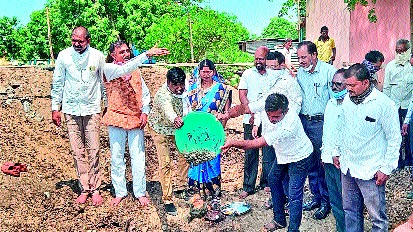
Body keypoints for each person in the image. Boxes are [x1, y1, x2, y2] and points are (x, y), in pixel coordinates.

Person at [221, 93, 313, 232]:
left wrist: (233, 142)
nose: (271, 120)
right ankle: (279, 220)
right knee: (273, 179)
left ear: (285, 111)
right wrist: (227, 115)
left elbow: (257, 143)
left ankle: (294, 229)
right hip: (283, 154)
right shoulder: (265, 104)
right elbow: (244, 108)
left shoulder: (289, 125)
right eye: (269, 115)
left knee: (294, 194)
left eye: (276, 117)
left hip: (299, 156)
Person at [101, 41, 169, 206]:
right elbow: (123, 70)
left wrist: (145, 111)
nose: (126, 54)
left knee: (138, 156)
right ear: (113, 55)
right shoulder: (108, 69)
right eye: (121, 52)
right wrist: (148, 54)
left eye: (127, 51)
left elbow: (144, 94)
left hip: (135, 117)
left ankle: (139, 191)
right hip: (116, 117)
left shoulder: (135, 71)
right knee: (117, 157)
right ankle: (120, 192)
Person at [335, 63, 401, 232]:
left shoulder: (384, 104)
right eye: (347, 85)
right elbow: (341, 127)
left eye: (352, 85)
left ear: (365, 83)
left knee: (377, 218)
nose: (348, 89)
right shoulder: (348, 101)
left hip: (371, 170)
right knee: (350, 211)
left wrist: (386, 169)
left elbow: (394, 139)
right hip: (348, 168)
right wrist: (336, 151)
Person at [51, 26, 106, 206]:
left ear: (88, 40)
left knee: (94, 149)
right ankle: (85, 187)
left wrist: (106, 105)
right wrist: (55, 107)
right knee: (77, 151)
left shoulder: (98, 56)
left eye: (80, 41)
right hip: (71, 109)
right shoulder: (64, 56)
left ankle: (96, 188)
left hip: (92, 109)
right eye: (74, 40)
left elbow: (104, 82)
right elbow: (58, 81)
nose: (76, 44)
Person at [296, 40, 336, 219]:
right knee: (310, 162)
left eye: (304, 57)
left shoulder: (329, 72)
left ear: (314, 55)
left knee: (323, 164)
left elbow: (336, 100)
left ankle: (327, 203)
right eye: (299, 58)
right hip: (305, 122)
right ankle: (316, 198)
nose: (301, 61)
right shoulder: (300, 73)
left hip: (322, 123)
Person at [148, 67, 191, 216]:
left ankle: (181, 187)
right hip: (160, 128)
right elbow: (168, 110)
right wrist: (175, 119)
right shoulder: (162, 95)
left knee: (185, 155)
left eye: (181, 84)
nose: (179, 88)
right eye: (175, 85)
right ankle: (167, 199)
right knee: (165, 163)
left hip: (177, 128)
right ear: (168, 82)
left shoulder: (185, 90)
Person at [186, 59, 232, 198]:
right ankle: (197, 191)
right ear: (199, 72)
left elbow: (226, 112)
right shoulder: (193, 89)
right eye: (203, 72)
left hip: (213, 133)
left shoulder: (222, 89)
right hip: (196, 133)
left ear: (214, 72)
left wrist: (220, 131)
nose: (206, 74)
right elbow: (188, 110)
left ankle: (213, 190)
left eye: (209, 72)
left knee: (213, 159)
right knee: (197, 158)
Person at [237, 46, 275, 198]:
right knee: (250, 153)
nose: (258, 62)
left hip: (268, 119)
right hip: (249, 118)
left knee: (268, 152)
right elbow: (242, 94)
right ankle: (248, 186)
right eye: (256, 59)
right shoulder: (248, 74)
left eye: (261, 59)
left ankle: (266, 183)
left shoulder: (272, 75)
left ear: (267, 59)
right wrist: (251, 111)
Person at [320, 68, 346, 230]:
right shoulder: (330, 104)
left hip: (342, 162)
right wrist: (324, 155)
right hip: (328, 159)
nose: (334, 87)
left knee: (347, 203)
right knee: (335, 200)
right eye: (332, 84)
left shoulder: (350, 106)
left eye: (338, 84)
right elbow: (326, 132)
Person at [384, 39, 413, 170]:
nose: (400, 54)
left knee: (410, 133)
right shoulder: (390, 66)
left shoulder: (411, 66)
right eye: (397, 51)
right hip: (394, 105)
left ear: (408, 51)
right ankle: (397, 161)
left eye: (402, 51)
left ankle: (409, 159)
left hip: (408, 105)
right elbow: (387, 88)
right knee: (395, 134)